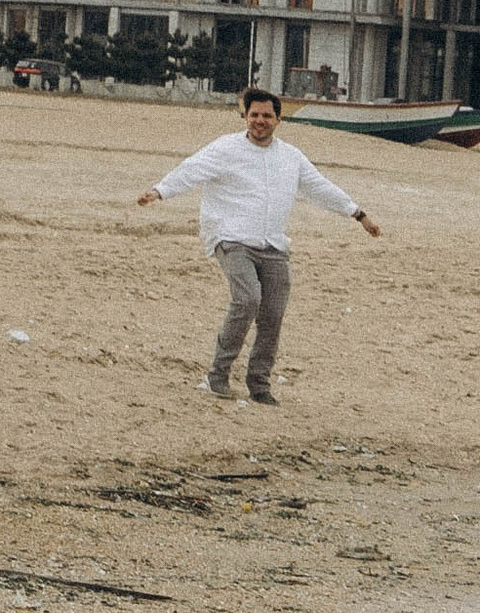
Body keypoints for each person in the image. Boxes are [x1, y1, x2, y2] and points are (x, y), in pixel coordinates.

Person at [137, 85, 379, 402]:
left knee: (272, 313)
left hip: (273, 245)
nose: (259, 121)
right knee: (247, 298)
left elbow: (319, 187)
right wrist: (159, 191)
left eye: (267, 115)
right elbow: (191, 170)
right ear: (245, 117)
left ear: (278, 120)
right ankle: (217, 376)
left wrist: (357, 213)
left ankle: (259, 385)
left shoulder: (291, 157)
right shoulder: (225, 149)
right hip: (230, 237)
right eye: (254, 115)